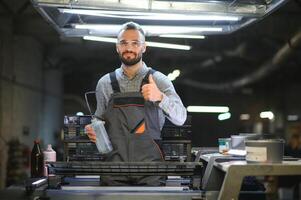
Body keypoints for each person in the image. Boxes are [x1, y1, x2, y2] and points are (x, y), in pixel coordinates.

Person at [85, 21, 187, 186]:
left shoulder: (159, 80)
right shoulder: (105, 83)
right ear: (117, 47)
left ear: (144, 47)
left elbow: (181, 117)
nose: (129, 48)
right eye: (124, 43)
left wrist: (160, 97)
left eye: (135, 43)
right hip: (113, 170)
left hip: (150, 171)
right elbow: (99, 118)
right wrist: (94, 128)